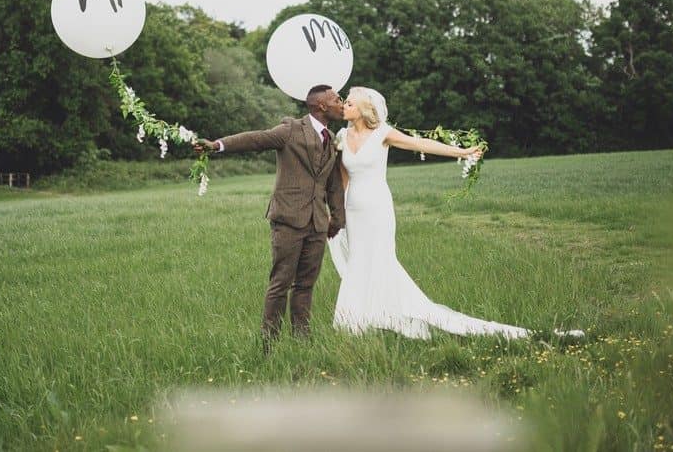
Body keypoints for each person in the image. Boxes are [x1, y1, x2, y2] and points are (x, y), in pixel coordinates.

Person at [328, 86, 584, 340]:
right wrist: (337, 212)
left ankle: (392, 316)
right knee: (358, 261)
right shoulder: (341, 136)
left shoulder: (383, 133)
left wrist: (460, 152)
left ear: (363, 110)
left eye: (350, 103)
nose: (344, 106)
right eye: (346, 102)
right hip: (354, 210)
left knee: (381, 261)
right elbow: (343, 179)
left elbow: (422, 144)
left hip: (378, 209)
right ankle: (356, 321)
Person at [194, 84, 346, 351]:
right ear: (321, 106)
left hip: (317, 223)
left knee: (306, 285)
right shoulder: (290, 130)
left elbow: (332, 182)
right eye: (336, 99)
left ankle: (302, 340)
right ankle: (269, 344)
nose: (341, 103)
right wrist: (217, 145)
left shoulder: (331, 138)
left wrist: (337, 218)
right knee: (280, 283)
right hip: (288, 220)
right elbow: (255, 139)